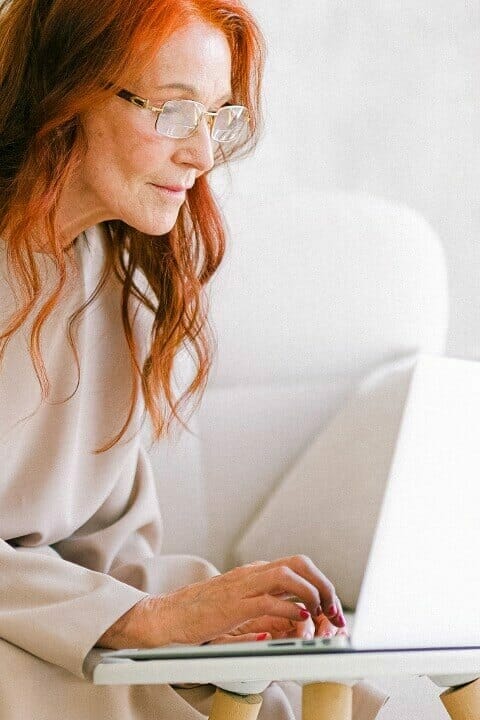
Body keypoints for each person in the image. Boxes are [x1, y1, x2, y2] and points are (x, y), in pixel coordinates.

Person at [0, 0, 388, 718]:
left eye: (218, 118)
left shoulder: (113, 290)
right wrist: (137, 620)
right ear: (63, 94)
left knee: (265, 661)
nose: (204, 154)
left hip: (51, 620)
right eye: (174, 112)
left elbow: (107, 556)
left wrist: (206, 609)